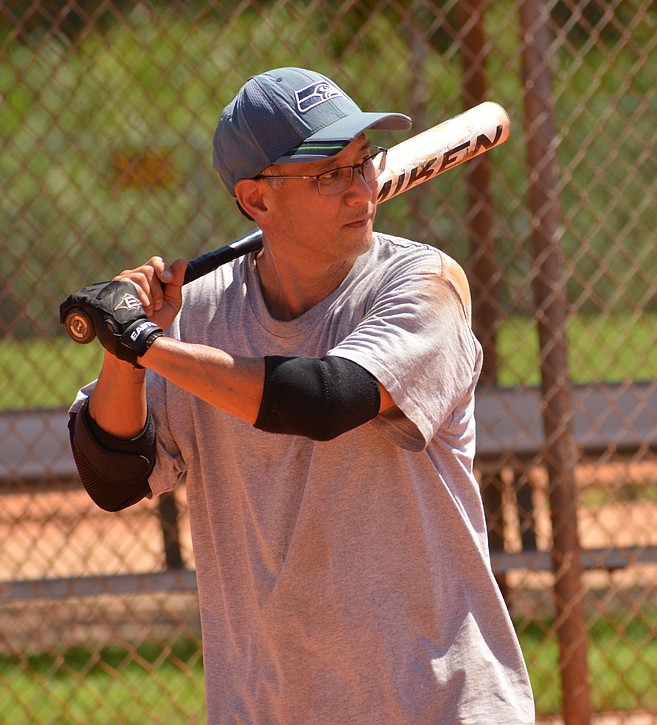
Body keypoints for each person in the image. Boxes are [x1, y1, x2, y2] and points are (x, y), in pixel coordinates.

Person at [62, 67, 535, 724]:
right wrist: (125, 354)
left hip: (434, 703)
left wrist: (148, 343)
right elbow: (113, 474)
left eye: (362, 163)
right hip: (272, 705)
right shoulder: (198, 317)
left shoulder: (422, 284)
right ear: (258, 201)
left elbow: (327, 399)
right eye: (327, 174)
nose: (360, 190)